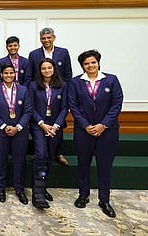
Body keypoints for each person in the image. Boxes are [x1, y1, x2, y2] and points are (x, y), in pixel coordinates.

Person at [68, 50, 123, 218]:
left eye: (93, 62)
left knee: (104, 166)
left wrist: (103, 125)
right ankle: (83, 195)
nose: (90, 66)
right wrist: (86, 125)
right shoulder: (75, 82)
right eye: (86, 63)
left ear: (98, 62)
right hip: (83, 131)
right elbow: (73, 106)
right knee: (83, 164)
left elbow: (117, 103)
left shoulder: (111, 80)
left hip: (107, 132)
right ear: (82, 66)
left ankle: (104, 199)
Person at [0, 63, 32, 205]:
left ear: (15, 74)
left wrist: (17, 127)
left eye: (11, 73)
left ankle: (19, 189)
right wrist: (4, 126)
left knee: (19, 161)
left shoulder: (24, 90)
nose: (9, 75)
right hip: (1, 132)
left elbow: (28, 111)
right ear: (1, 75)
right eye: (6, 73)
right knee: (1, 161)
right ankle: (1, 188)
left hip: (19, 132)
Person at [28, 27, 72, 166]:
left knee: (57, 125)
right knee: (40, 133)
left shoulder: (63, 52)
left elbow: (68, 74)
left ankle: (58, 153)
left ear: (54, 37)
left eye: (49, 37)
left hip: (57, 93)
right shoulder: (34, 54)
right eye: (43, 38)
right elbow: (30, 75)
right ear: (40, 39)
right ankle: (39, 152)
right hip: (40, 91)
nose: (46, 40)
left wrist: (65, 92)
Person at [28, 58, 68, 208]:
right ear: (40, 71)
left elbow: (65, 108)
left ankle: (43, 188)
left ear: (54, 69)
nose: (46, 71)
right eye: (43, 68)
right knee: (40, 154)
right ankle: (37, 193)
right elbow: (30, 107)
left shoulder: (62, 86)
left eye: (49, 68)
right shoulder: (33, 86)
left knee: (50, 156)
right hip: (39, 125)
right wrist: (42, 124)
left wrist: (55, 126)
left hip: (55, 126)